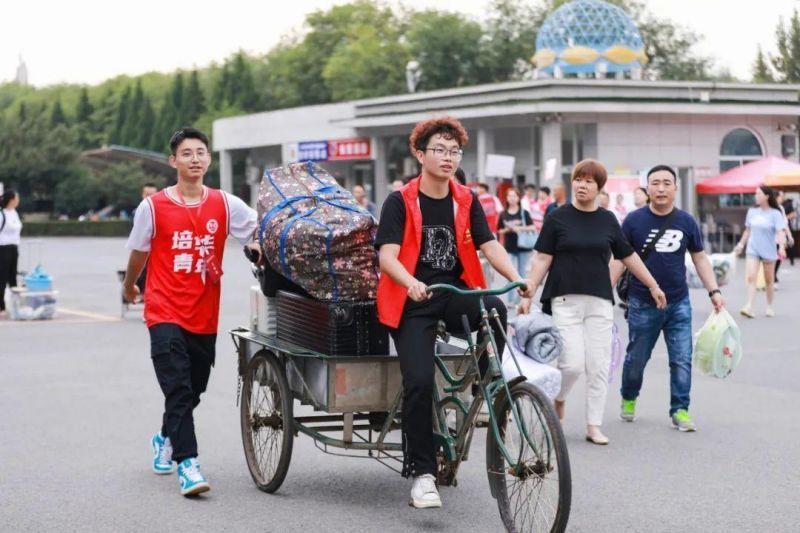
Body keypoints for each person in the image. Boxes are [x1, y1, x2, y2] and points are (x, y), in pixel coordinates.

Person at [375, 116, 531, 509]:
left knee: (494, 307)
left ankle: (485, 387)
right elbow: (387, 257)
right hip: (413, 301)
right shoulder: (400, 200)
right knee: (419, 381)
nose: (448, 158)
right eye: (440, 150)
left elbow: (488, 244)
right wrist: (410, 281)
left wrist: (516, 277)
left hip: (454, 291)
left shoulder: (465, 198)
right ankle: (423, 474)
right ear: (420, 154)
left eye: (455, 151)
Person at [122, 128, 259, 496]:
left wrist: (260, 246)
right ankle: (188, 464)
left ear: (208, 160)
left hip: (203, 313)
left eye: (200, 152)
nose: (194, 159)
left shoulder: (225, 204)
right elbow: (138, 252)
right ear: (173, 161)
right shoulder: (153, 207)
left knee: (193, 389)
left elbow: (257, 231)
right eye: (186, 153)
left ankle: (164, 437)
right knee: (178, 387)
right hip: (163, 309)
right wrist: (130, 285)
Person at [519, 159, 666, 446]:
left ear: (599, 188)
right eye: (578, 179)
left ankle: (593, 425)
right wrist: (529, 294)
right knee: (572, 364)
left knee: (599, 366)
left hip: (599, 301)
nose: (582, 185)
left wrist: (652, 285)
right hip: (564, 300)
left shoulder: (608, 220)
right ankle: (560, 397)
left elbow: (627, 255)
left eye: (589, 181)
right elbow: (542, 258)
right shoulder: (558, 217)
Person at [611, 165, 724, 432]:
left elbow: (699, 258)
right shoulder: (633, 221)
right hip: (642, 303)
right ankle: (629, 396)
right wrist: (605, 291)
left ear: (675, 187)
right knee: (637, 358)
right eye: (655, 183)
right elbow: (619, 259)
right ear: (647, 188)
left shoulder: (686, 221)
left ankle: (680, 409)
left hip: (679, 302)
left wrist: (714, 291)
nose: (661, 188)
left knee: (682, 359)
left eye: (666, 183)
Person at [734, 185, 786, 318]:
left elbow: (780, 232)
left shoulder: (775, 214)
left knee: (769, 280)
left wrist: (781, 247)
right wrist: (740, 244)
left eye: (759, 194)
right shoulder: (752, 212)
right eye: (755, 194)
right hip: (753, 249)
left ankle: (769, 306)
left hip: (769, 250)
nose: (756, 196)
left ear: (767, 196)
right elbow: (747, 231)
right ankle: (749, 306)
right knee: (751, 277)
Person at [498, 187, 536, 303]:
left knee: (521, 273)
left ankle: (520, 299)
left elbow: (533, 227)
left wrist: (519, 228)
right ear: (507, 198)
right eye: (509, 196)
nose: (512, 198)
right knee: (509, 273)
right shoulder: (503, 214)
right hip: (509, 247)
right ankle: (510, 299)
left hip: (523, 247)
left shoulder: (524, 213)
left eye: (514, 196)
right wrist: (507, 229)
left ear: (518, 198)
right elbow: (499, 230)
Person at [0, 190, 22, 318]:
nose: (18, 201)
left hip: (14, 248)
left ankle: (15, 305)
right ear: (11, 200)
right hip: (3, 248)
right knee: (2, 278)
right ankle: (1, 305)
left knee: (13, 276)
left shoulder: (14, 213)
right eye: (17, 198)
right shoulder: (1, 214)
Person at [135, 183, 160, 298]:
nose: (149, 197)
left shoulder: (163, 212)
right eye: (147, 194)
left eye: (152, 195)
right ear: (142, 195)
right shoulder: (138, 212)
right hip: (144, 252)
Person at [774, 190, 795, 283]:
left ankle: (774, 274)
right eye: (780, 197)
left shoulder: (781, 208)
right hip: (769, 239)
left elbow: (785, 224)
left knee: (779, 257)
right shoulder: (768, 209)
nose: (781, 198)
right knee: (771, 259)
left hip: (780, 238)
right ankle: (772, 276)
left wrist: (789, 236)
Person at [781, 192, 796, 265]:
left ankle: (792, 259)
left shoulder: (788, 203)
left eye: (781, 195)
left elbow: (793, 214)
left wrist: (784, 218)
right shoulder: (775, 204)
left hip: (786, 225)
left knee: (790, 242)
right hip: (778, 227)